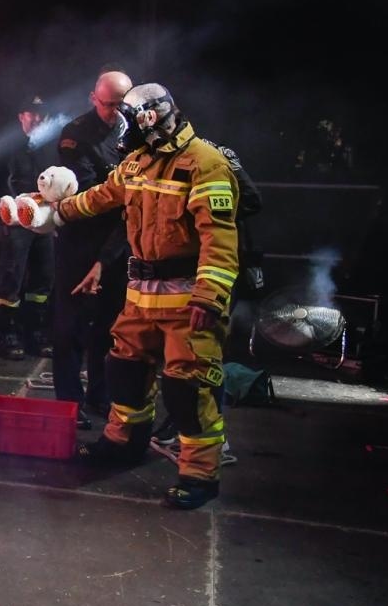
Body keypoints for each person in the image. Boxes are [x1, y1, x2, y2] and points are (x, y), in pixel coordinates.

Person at [26, 82, 239, 510]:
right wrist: (51, 210)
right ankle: (124, 443)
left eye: (130, 119)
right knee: (124, 370)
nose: (123, 129)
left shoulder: (204, 164)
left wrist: (209, 296)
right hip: (140, 295)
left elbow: (219, 238)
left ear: (150, 120)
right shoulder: (138, 164)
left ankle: (200, 474)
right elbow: (100, 198)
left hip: (185, 302)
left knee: (187, 388)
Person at [52, 70, 133, 428]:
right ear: (93, 98)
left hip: (120, 239)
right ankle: (70, 401)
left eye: (121, 104)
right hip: (79, 241)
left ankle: (102, 394)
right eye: (109, 104)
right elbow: (86, 192)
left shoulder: (136, 133)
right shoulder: (75, 134)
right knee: (70, 327)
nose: (115, 112)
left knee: (110, 326)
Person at [0, 94, 59, 359]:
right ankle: (8, 333)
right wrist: (5, 213)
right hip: (15, 222)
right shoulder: (6, 146)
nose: (38, 118)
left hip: (45, 221)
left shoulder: (53, 146)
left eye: (42, 114)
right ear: (21, 116)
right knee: (11, 277)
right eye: (32, 113)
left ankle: (36, 334)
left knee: (44, 277)